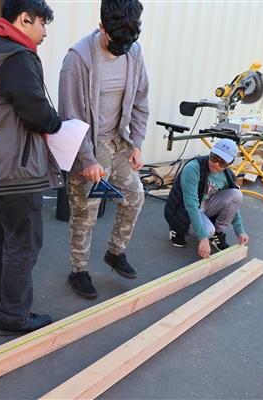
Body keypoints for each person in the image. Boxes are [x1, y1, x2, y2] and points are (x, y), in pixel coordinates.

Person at [0, 0, 62, 335]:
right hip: (13, 173)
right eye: (42, 24)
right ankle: (13, 316)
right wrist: (57, 122)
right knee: (22, 242)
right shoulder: (17, 57)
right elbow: (36, 113)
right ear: (24, 19)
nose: (45, 32)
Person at [58, 0, 149, 300]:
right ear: (101, 27)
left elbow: (140, 101)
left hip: (117, 142)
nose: (123, 48)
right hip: (87, 146)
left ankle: (115, 252)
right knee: (86, 214)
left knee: (135, 195)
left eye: (129, 42)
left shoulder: (133, 53)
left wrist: (136, 142)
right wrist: (86, 159)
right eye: (117, 42)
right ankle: (79, 271)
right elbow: (69, 118)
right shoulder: (77, 60)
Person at [164, 139, 250, 259]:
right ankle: (176, 228)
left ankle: (217, 234)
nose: (216, 164)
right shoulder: (193, 168)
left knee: (237, 195)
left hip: (205, 206)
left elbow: (233, 203)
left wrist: (239, 230)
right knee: (208, 231)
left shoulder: (228, 175)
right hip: (182, 209)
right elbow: (191, 204)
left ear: (229, 164)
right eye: (214, 158)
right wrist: (203, 237)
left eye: (222, 163)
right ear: (210, 153)